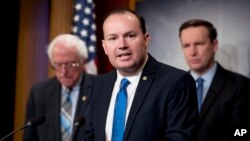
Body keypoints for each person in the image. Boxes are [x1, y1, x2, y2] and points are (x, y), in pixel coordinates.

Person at [84, 8, 198, 141]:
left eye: (130, 36)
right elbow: (88, 135)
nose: (122, 45)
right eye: (113, 38)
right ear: (105, 47)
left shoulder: (176, 82)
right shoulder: (98, 85)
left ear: (145, 39)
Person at [179, 19, 250, 141]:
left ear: (214, 45)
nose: (192, 52)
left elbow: (242, 132)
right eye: (186, 45)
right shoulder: (174, 86)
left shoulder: (241, 86)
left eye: (199, 44)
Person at [23, 34, 95, 141]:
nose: (63, 72)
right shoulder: (39, 92)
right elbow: (30, 137)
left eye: (70, 64)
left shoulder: (98, 88)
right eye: (58, 65)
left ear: (83, 61)